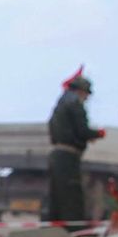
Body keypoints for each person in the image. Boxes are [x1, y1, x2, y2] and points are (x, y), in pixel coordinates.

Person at [44, 73, 103, 223]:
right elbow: (82, 130)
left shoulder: (60, 104)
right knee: (71, 199)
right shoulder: (75, 103)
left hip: (56, 155)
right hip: (68, 157)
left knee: (57, 198)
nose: (87, 98)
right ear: (81, 91)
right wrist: (97, 134)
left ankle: (54, 232)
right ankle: (73, 232)